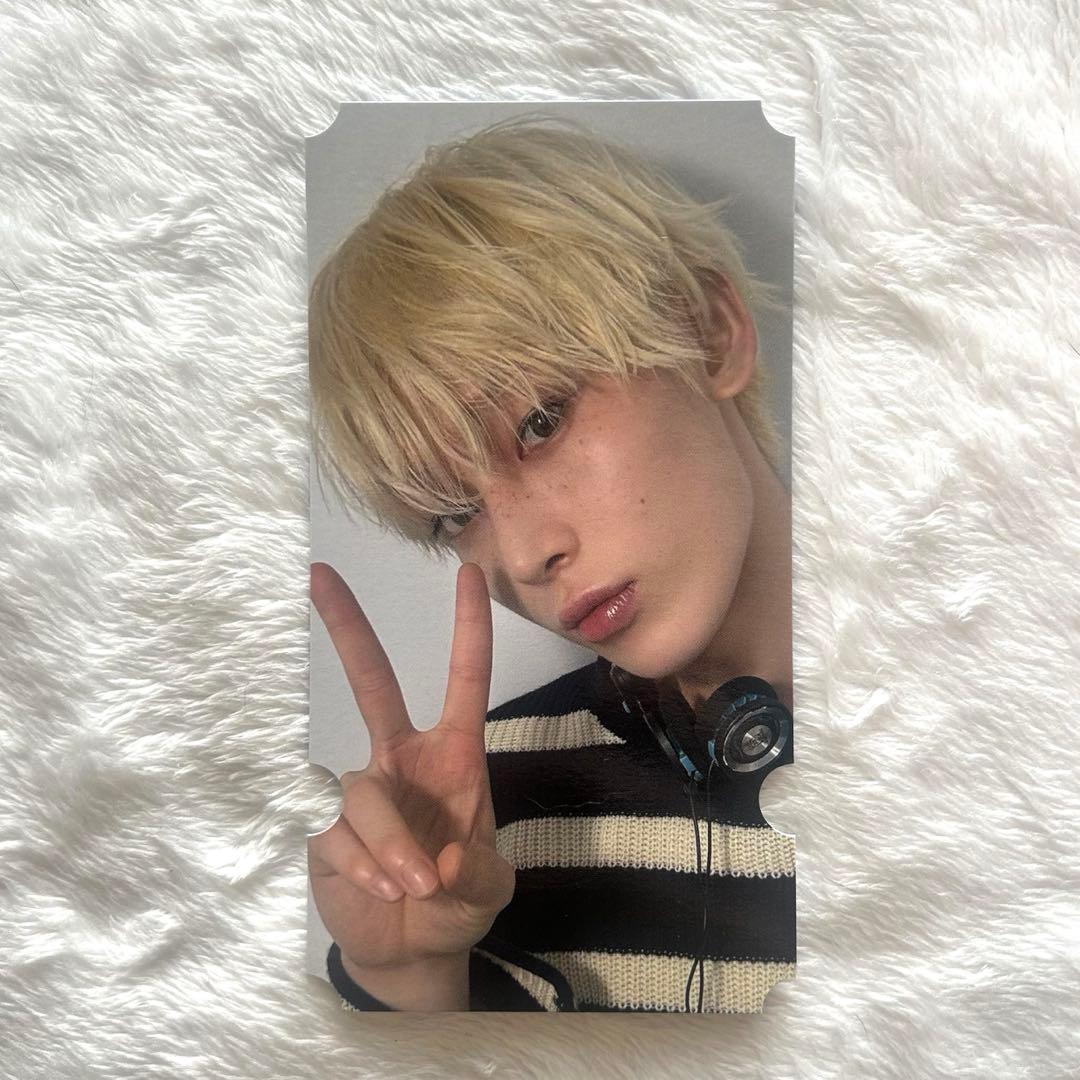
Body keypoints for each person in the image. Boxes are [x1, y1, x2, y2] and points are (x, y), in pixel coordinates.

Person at [306, 113, 795, 1013]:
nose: (528, 555)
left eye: (540, 422)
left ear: (712, 333)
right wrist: (410, 984)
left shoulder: (997, 707)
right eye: (457, 515)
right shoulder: (474, 818)